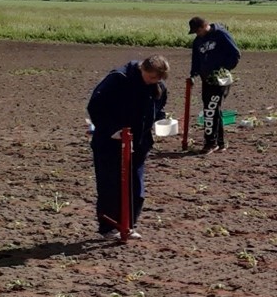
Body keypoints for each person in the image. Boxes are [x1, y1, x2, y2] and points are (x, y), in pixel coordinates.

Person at [88, 55, 169, 240]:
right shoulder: (118, 79)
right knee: (110, 186)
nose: (154, 82)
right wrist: (111, 130)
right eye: (151, 77)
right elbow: (95, 106)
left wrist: (159, 119)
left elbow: (158, 106)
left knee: (136, 188)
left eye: (158, 79)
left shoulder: (158, 85)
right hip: (109, 142)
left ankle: (129, 225)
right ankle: (109, 228)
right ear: (143, 69)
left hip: (138, 143)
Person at [189, 16, 241, 155]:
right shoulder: (198, 41)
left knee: (211, 109)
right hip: (206, 79)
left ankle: (210, 143)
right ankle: (220, 143)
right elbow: (196, 59)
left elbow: (235, 53)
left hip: (221, 80)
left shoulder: (221, 34)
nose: (197, 34)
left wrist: (224, 69)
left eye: (197, 31)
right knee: (212, 109)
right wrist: (193, 74)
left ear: (203, 27)